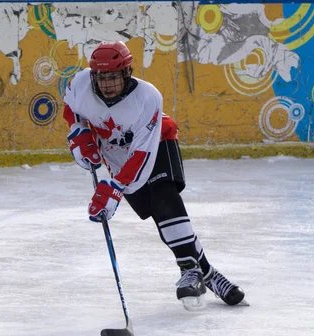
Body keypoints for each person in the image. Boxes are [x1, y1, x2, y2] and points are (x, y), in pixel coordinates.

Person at [63, 41, 246, 310]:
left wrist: (114, 188)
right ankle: (208, 273)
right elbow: (73, 110)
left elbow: (140, 156)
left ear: (126, 73)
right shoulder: (79, 84)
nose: (108, 84)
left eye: (114, 76)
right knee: (161, 219)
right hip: (116, 156)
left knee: (164, 200)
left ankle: (188, 269)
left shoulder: (147, 98)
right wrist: (79, 134)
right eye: (102, 77)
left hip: (155, 144)